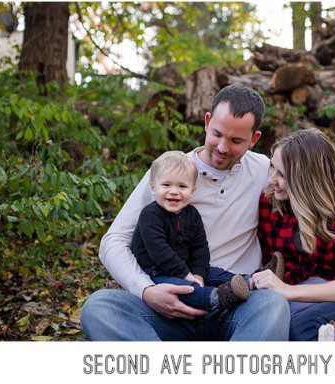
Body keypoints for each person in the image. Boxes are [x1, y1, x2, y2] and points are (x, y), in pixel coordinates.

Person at [81, 84, 290, 341]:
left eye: (236, 141)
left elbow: (313, 187)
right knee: (100, 307)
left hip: (235, 307)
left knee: (272, 305)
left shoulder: (264, 172)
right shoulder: (170, 175)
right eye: (217, 134)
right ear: (206, 121)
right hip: (169, 307)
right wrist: (146, 291)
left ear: (254, 139)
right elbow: (113, 242)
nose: (223, 148)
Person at [252, 129, 335, 341]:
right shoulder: (271, 203)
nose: (270, 181)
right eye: (272, 168)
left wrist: (289, 291)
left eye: (282, 174)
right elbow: (271, 264)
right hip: (297, 301)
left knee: (302, 329)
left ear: (307, 179)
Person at [132, 151, 279, 313]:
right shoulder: (150, 215)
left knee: (217, 274)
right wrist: (186, 275)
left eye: (182, 186)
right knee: (185, 289)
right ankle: (216, 298)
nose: (174, 191)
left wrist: (199, 273)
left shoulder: (191, 214)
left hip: (186, 267)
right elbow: (159, 250)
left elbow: (200, 247)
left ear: (192, 190)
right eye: (166, 185)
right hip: (157, 273)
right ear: (153, 188)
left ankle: (254, 281)